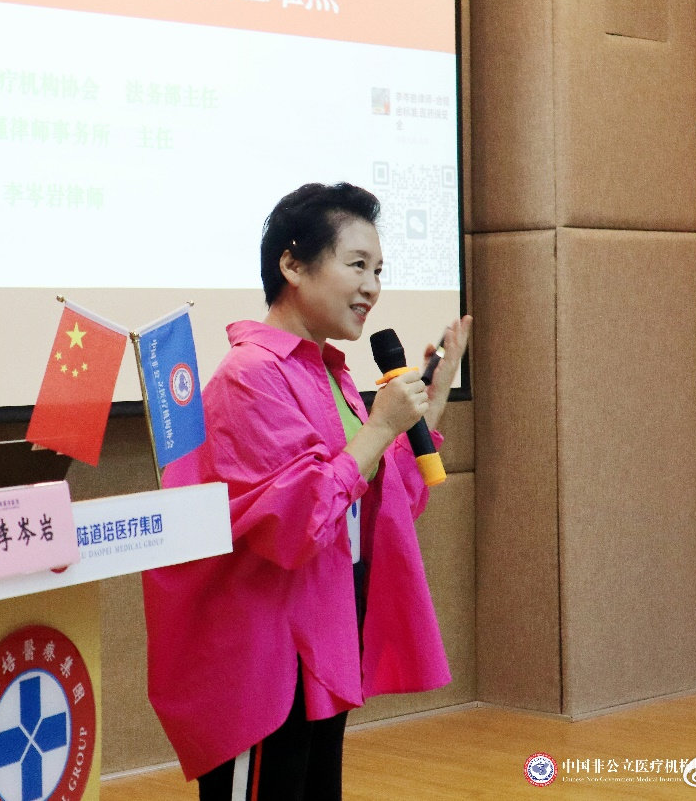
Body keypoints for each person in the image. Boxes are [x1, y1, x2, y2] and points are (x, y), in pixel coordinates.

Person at [142, 182, 472, 800]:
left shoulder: (329, 375)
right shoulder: (250, 375)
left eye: (379, 270)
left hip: (322, 641)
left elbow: (384, 500)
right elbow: (295, 525)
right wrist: (379, 428)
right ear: (292, 265)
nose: (372, 287)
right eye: (357, 265)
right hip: (262, 658)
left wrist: (433, 398)